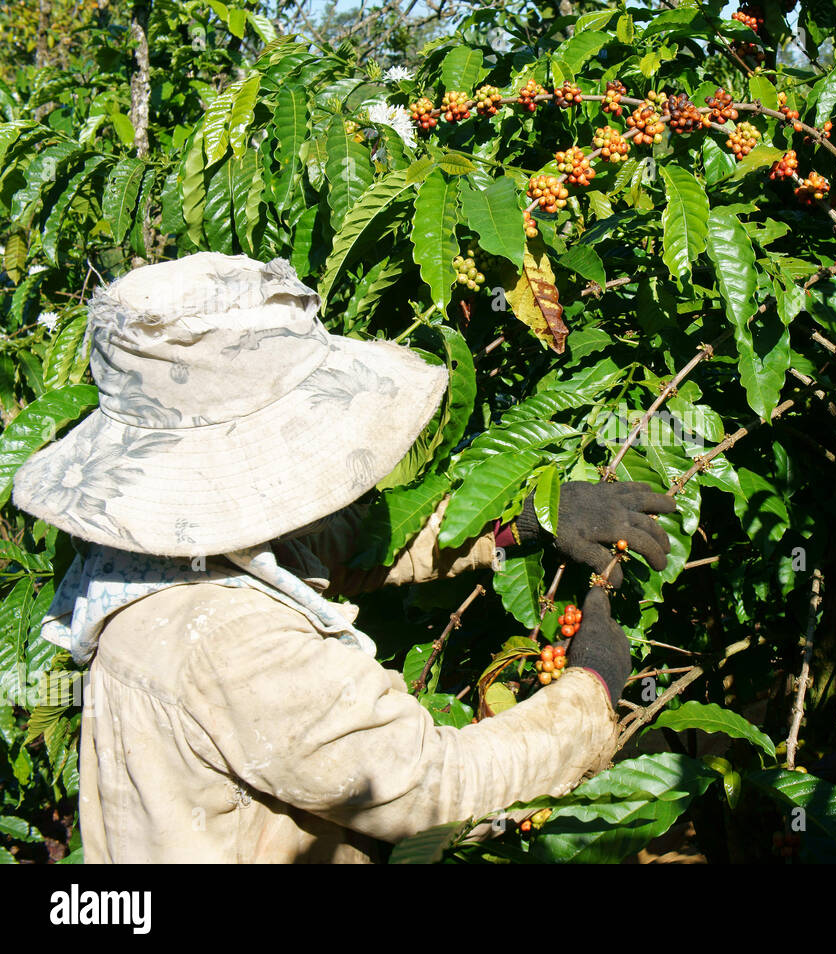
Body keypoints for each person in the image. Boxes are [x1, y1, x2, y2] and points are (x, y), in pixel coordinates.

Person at [12, 252, 676, 863]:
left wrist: (512, 523)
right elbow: (435, 790)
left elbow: (327, 547)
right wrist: (591, 690)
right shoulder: (229, 639)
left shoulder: (148, 559)